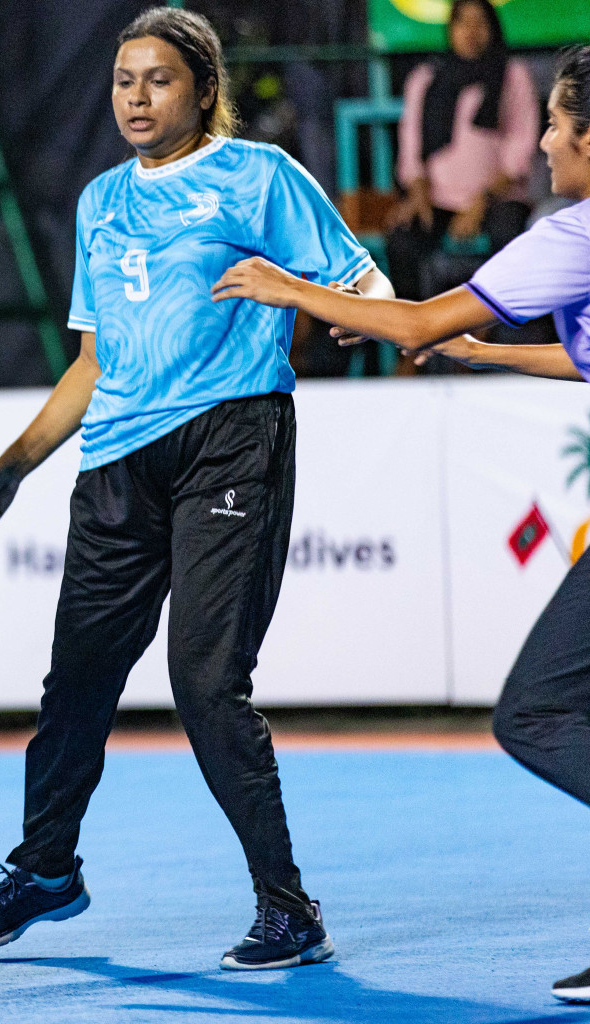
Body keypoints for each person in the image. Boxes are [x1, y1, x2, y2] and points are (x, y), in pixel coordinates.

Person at [0, 6, 393, 971]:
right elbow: (91, 363)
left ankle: (289, 910)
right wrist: (11, 468)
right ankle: (46, 868)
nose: (135, 98)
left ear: (202, 89)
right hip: (115, 463)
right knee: (77, 683)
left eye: (156, 80)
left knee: (205, 679)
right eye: (121, 81)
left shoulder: (259, 175)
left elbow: (366, 286)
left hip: (231, 440)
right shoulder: (100, 200)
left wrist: (354, 313)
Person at [212, 44, 590, 1002]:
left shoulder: (574, 233)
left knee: (537, 713)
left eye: (553, 122)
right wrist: (487, 354)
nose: (542, 142)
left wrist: (291, 290)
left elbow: (412, 323)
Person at [385, 0, 538, 305]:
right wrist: (417, 193)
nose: (471, 31)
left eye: (480, 22)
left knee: (509, 236)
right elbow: (411, 143)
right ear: (450, 29)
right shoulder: (426, 79)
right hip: (438, 198)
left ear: (493, 28)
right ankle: (413, 339)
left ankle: (502, 339)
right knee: (402, 238)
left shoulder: (511, 74)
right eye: (462, 22)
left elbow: (521, 144)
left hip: (497, 198)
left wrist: (480, 202)